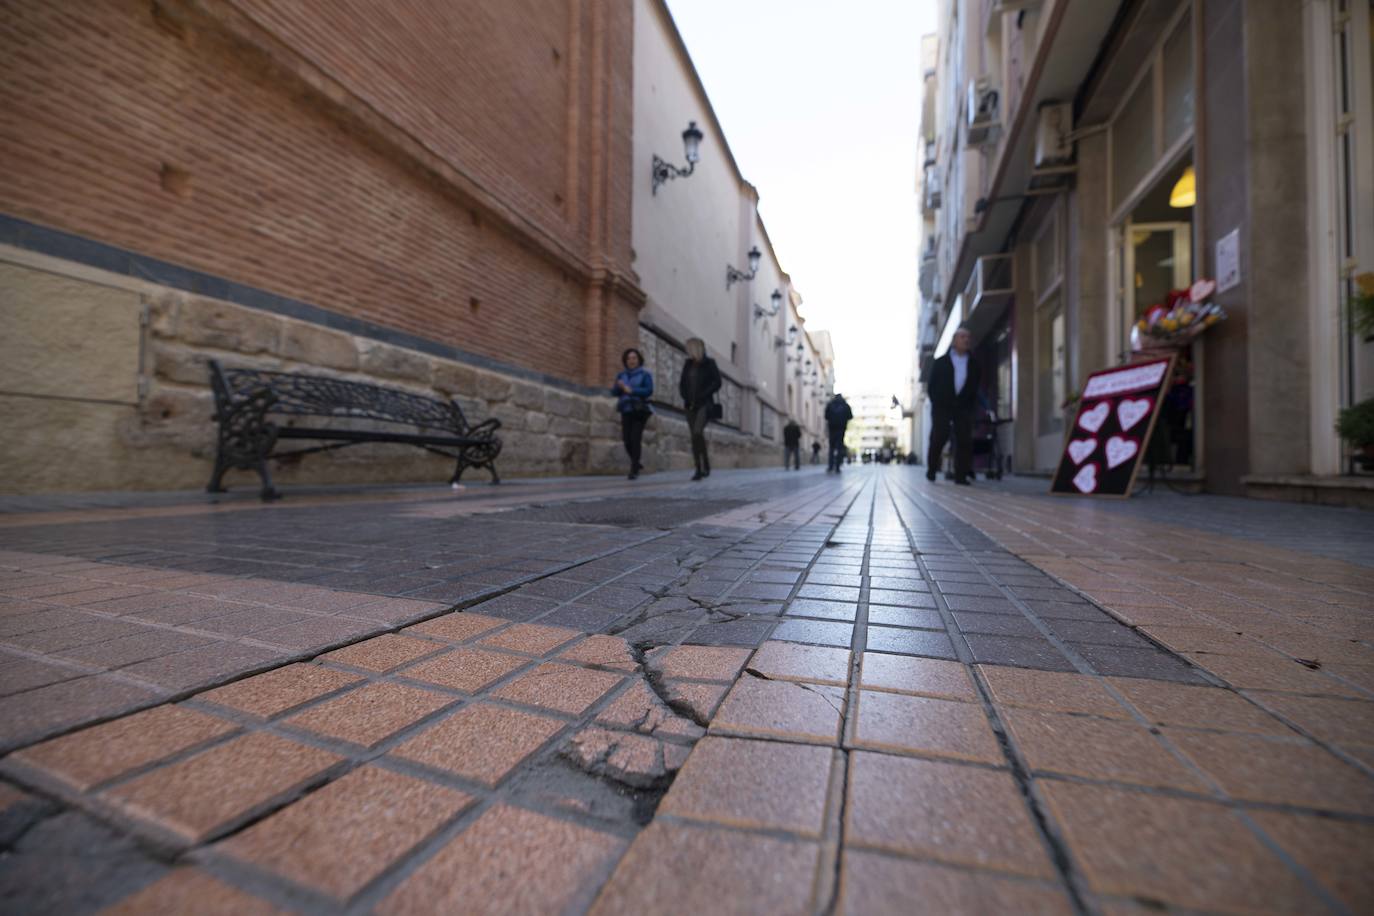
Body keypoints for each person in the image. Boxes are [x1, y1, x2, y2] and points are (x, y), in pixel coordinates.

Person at [926, 325, 981, 485]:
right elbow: (931, 386)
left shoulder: (974, 364)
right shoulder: (941, 362)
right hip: (942, 407)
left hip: (963, 407)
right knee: (939, 437)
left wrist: (970, 405)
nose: (966, 340)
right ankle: (932, 469)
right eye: (962, 337)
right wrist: (937, 402)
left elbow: (975, 386)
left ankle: (961, 475)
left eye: (968, 337)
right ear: (954, 341)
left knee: (964, 440)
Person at [679, 338, 721, 480]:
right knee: (695, 437)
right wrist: (685, 396)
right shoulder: (688, 364)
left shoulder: (710, 364)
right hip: (689, 406)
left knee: (697, 432)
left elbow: (717, 382)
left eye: (691, 348)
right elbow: (682, 384)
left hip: (704, 404)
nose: (688, 351)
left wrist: (704, 394)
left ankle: (704, 466)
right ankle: (700, 468)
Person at [611, 348, 653, 480]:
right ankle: (637, 462)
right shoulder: (621, 375)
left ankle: (634, 469)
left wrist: (632, 390)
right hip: (626, 409)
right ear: (625, 361)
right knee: (626, 440)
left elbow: (649, 390)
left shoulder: (645, 374)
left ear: (639, 359)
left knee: (635, 439)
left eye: (634, 358)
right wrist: (619, 387)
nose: (631, 361)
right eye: (629, 358)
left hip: (639, 410)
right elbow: (614, 392)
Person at [824, 393, 853, 473]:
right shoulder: (845, 405)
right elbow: (850, 416)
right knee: (839, 447)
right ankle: (837, 467)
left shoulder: (830, 404)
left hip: (832, 428)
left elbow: (826, 416)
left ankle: (830, 466)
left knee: (831, 448)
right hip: (841, 428)